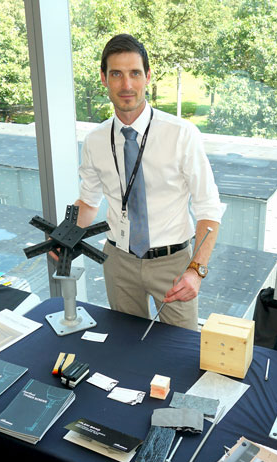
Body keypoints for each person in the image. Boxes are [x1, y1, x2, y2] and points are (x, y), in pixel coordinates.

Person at [71, 33, 223, 331]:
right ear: (104, 78)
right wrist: (65, 235)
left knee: (181, 351)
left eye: (135, 74)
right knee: (125, 347)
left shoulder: (181, 134)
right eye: (116, 74)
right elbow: (88, 203)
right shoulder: (94, 140)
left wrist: (196, 271)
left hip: (173, 264)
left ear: (148, 77)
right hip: (118, 261)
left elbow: (209, 209)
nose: (126, 85)